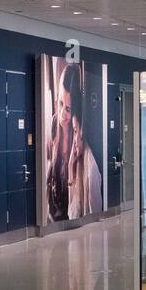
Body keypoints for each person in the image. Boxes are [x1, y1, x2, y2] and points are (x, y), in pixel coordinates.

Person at [46, 62, 103, 222]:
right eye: (60, 103)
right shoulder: (53, 124)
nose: (63, 113)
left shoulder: (79, 140)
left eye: (69, 109)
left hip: (71, 216)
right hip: (52, 215)